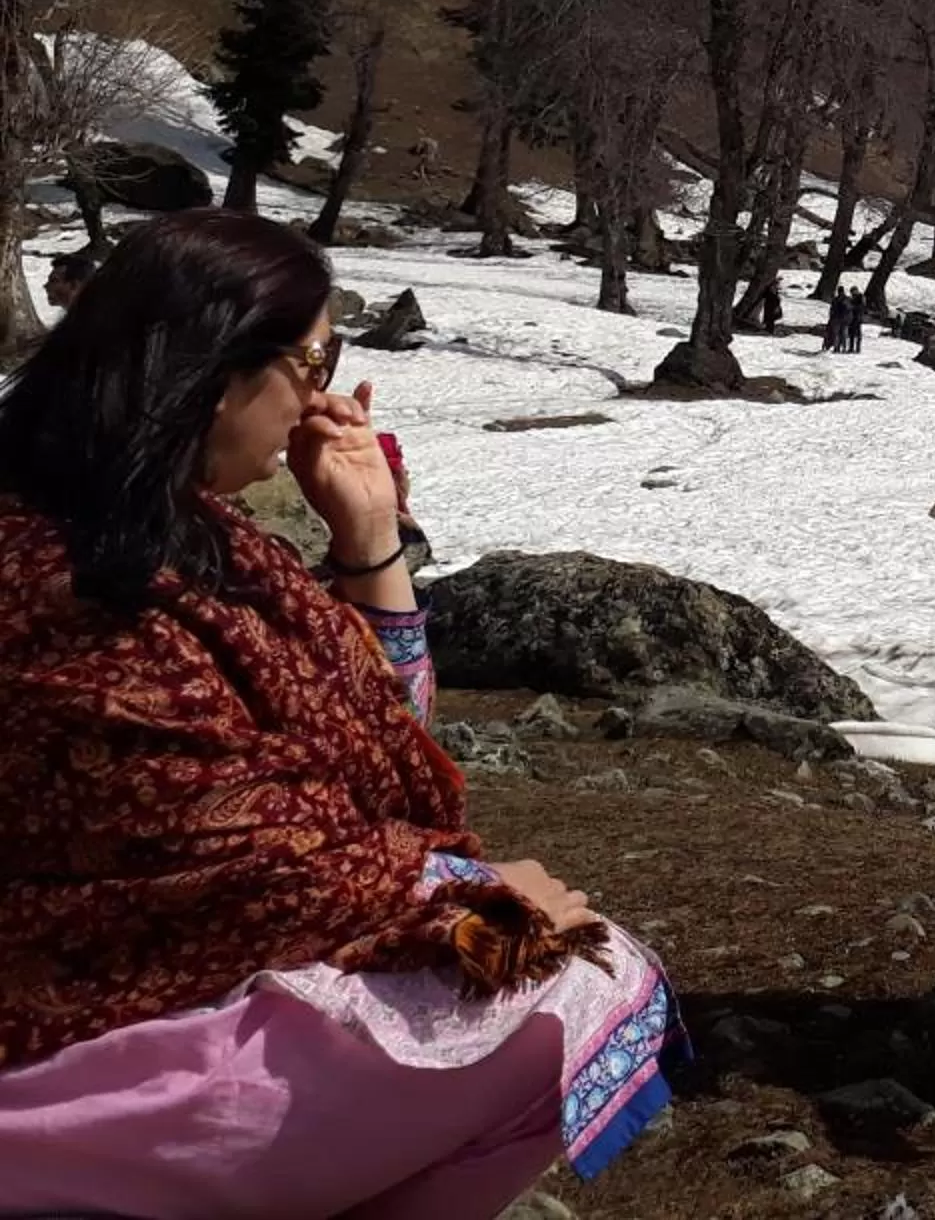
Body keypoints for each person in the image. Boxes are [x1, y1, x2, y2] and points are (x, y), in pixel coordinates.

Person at [0, 212, 676, 1217]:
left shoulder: (192, 533)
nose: (318, 395)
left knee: (588, 974)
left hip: (178, 962)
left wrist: (367, 537)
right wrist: (474, 886)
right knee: (569, 988)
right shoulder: (55, 581)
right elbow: (241, 848)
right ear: (219, 370)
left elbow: (378, 749)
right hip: (62, 1018)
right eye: (313, 361)